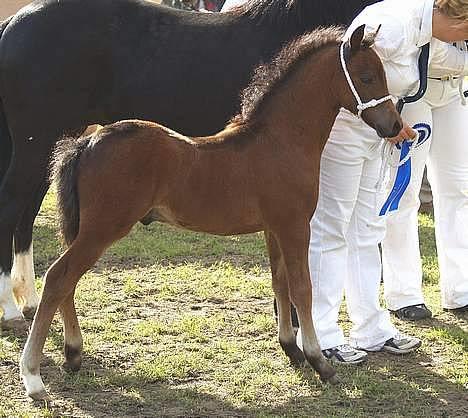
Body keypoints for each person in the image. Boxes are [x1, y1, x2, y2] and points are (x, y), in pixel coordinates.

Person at [307, 0, 468, 364]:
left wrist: (392, 123)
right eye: (465, 29)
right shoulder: (390, 26)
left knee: (368, 227)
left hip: (374, 135)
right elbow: (346, 76)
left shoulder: (417, 28)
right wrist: (383, 121)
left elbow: (384, 88)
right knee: (332, 228)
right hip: (346, 132)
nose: (464, 38)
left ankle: (371, 327)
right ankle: (321, 331)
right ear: (451, 14)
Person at [382, 38, 468, 321]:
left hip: (456, 90)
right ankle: (403, 293)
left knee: (459, 188)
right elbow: (435, 51)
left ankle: (460, 289)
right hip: (415, 87)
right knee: (404, 191)